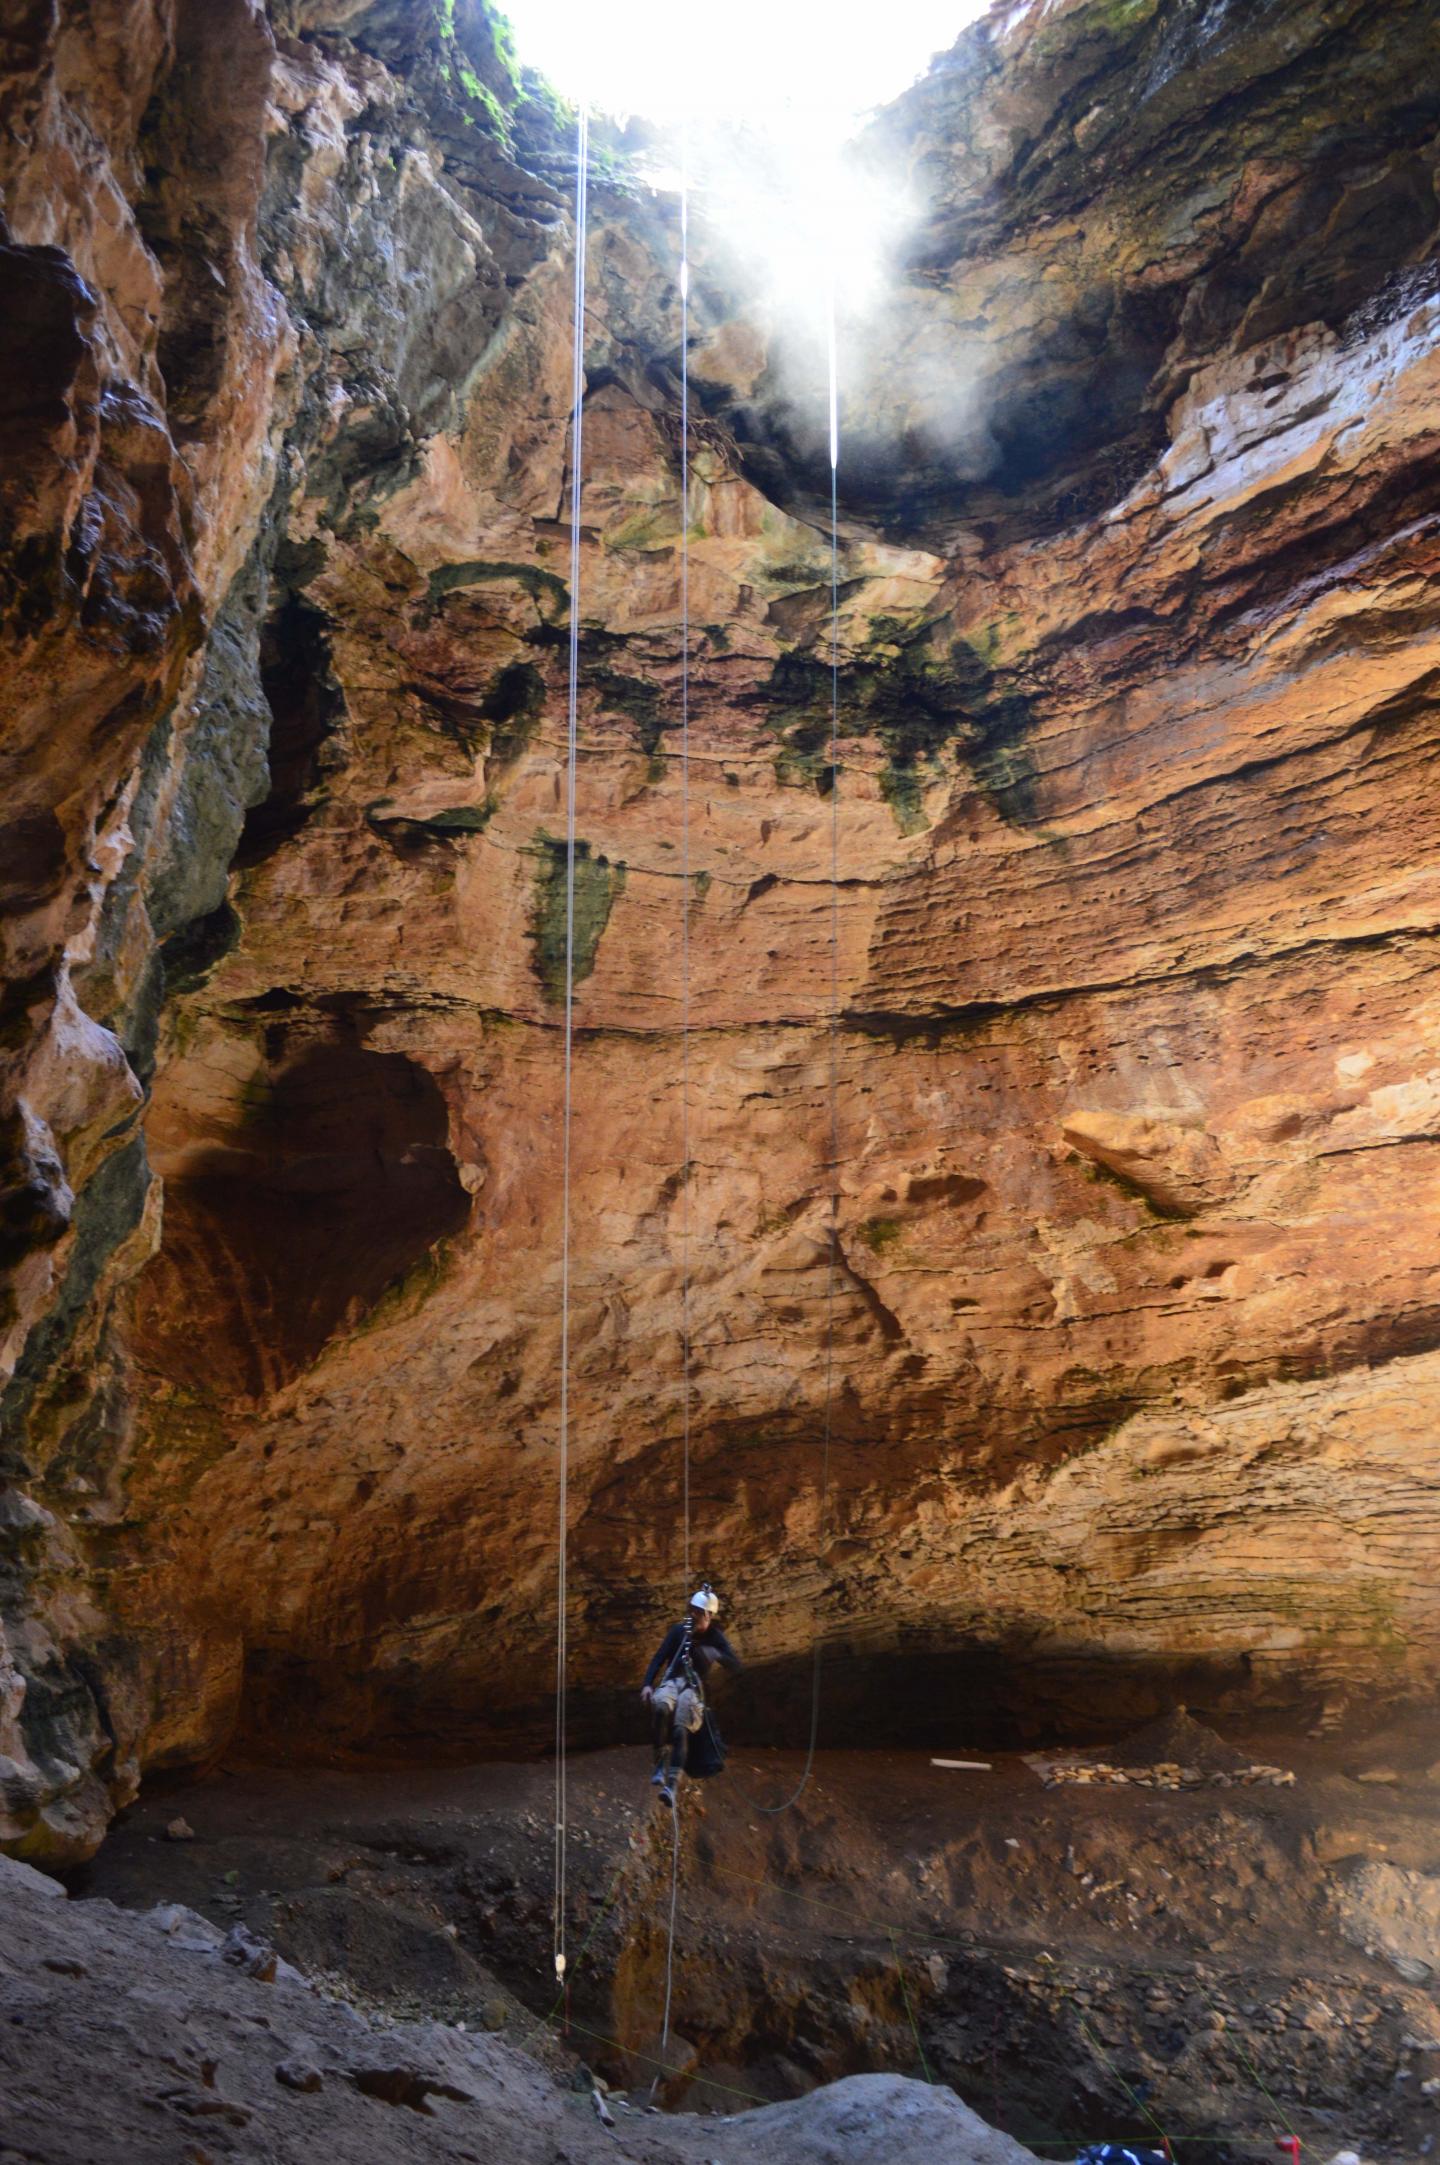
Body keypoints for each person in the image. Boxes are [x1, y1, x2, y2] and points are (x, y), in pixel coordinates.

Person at [641, 1585, 741, 1806]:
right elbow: (660, 1657)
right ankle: (659, 1761)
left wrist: (715, 1653)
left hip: (693, 1687)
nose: (693, 1615)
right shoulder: (680, 1630)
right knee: (660, 1708)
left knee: (681, 1728)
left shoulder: (715, 1637)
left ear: (708, 1615)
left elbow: (735, 1665)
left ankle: (672, 1786)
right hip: (673, 1680)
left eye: (698, 1612)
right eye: (692, 1610)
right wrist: (647, 1684)